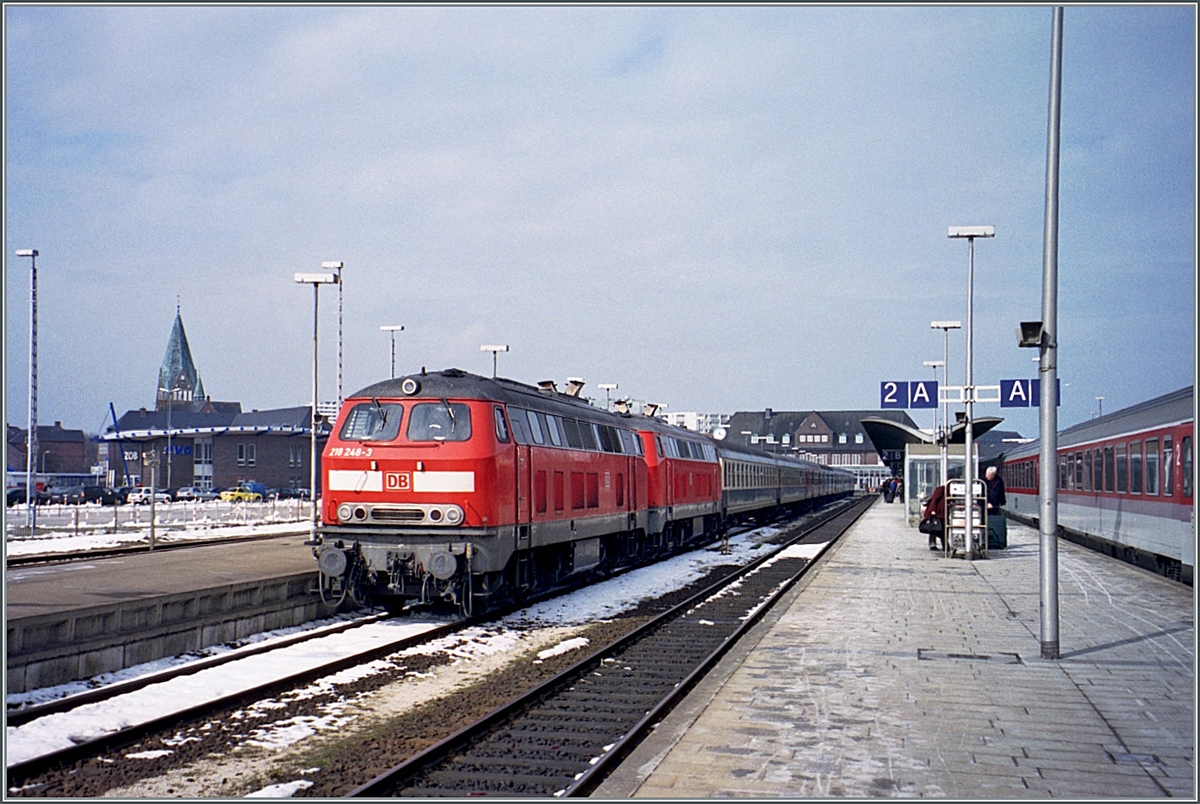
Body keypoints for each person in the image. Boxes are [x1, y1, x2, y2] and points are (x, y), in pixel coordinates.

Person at [984, 465, 1007, 550]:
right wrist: (985, 503)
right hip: (985, 506)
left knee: (995, 521)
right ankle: (987, 541)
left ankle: (996, 542)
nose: (988, 477)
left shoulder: (999, 480)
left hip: (995, 504)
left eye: (990, 475)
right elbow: (979, 494)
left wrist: (1003, 502)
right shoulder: (982, 481)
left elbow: (1001, 492)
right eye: (987, 475)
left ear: (994, 475)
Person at [922, 483, 946, 551]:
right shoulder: (942, 489)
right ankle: (934, 544)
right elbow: (934, 500)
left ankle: (944, 545)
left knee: (940, 528)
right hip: (937, 512)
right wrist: (933, 511)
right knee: (935, 528)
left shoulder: (948, 490)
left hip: (941, 512)